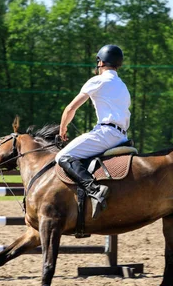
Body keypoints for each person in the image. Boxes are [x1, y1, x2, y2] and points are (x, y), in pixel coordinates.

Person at [55, 44, 130, 218]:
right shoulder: (122, 85)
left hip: (106, 133)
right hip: (122, 136)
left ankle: (94, 189)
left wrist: (63, 128)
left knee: (62, 157)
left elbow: (70, 108)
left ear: (101, 62)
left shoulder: (97, 80)